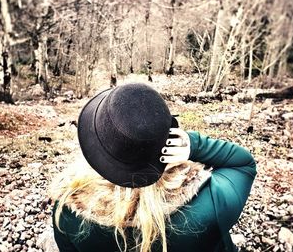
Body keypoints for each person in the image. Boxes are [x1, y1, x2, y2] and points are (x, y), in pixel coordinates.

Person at [50, 83, 256, 252]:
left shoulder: (67, 212)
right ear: (167, 139)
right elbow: (243, 163)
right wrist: (193, 145)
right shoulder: (212, 201)